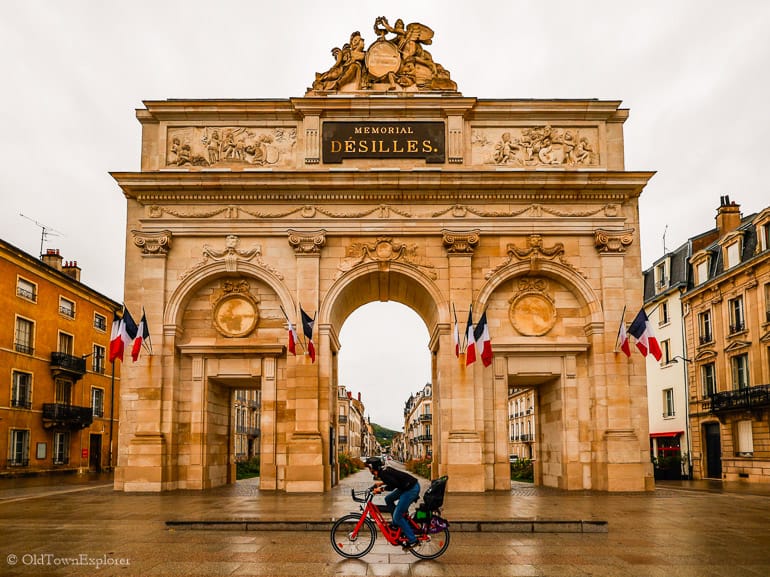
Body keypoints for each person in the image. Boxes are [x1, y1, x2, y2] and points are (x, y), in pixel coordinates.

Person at [365, 456, 420, 548]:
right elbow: (394, 479)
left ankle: (413, 540)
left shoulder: (383, 474)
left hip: (411, 489)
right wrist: (381, 483)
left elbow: (393, 485)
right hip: (406, 487)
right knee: (388, 499)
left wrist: (381, 489)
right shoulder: (383, 471)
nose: (369, 470)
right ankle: (395, 524)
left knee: (398, 516)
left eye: (369, 468)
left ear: (372, 467)